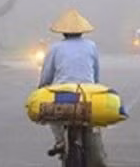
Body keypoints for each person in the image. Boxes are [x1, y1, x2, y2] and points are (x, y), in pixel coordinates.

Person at [38, 9, 106, 165]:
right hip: (87, 93)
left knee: (53, 115)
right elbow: (96, 73)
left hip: (63, 94)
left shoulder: (55, 48)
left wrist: (41, 88)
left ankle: (60, 140)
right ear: (82, 31)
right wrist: (94, 87)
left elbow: (47, 75)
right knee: (91, 123)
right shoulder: (91, 46)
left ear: (63, 32)